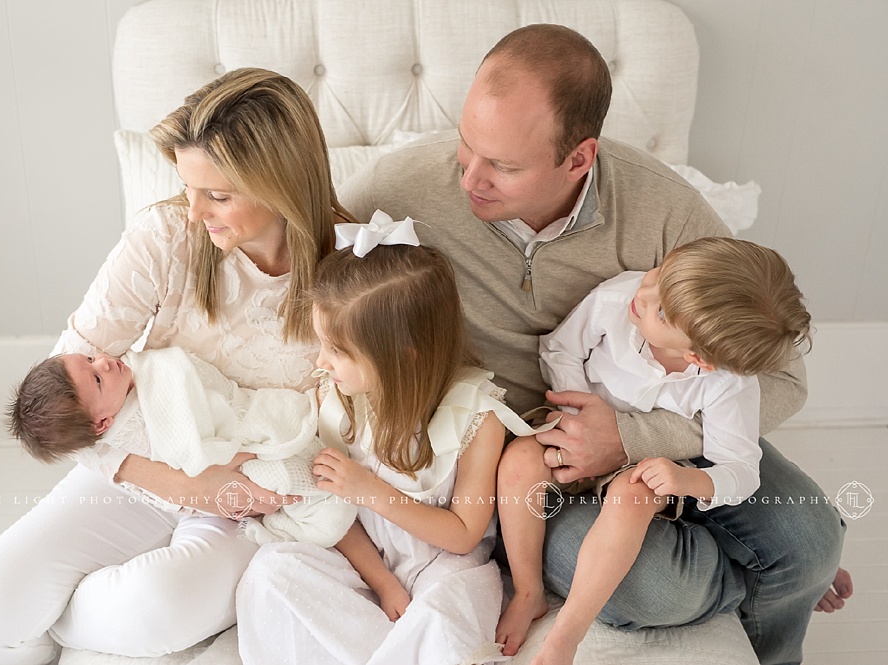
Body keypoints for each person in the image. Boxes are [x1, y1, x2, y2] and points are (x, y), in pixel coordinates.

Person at [341, 23, 847, 664]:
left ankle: (784, 610)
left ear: (579, 158)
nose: (470, 178)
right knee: (657, 588)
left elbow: (782, 377)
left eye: (503, 165)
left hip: (676, 422)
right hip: (533, 460)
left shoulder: (664, 210)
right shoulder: (398, 190)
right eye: (467, 147)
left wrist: (636, 439)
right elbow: (310, 266)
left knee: (808, 540)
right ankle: (770, 582)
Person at [0, 67, 353, 662]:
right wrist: (185, 483)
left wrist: (228, 492)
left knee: (145, 613)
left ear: (282, 183)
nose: (194, 211)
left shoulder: (353, 271)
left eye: (218, 195)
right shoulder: (164, 237)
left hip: (249, 508)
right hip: (140, 470)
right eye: (188, 188)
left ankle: (49, 624)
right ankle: (26, 615)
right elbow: (61, 393)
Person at [494, 237, 812, 663]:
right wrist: (574, 414)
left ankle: (567, 632)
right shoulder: (617, 300)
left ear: (699, 358)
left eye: (660, 308)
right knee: (520, 460)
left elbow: (741, 469)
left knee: (635, 494)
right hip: (574, 422)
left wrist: (689, 479)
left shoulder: (726, 385)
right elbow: (559, 347)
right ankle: (528, 590)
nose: (642, 293)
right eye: (660, 273)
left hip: (639, 459)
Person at [235, 232, 544, 665]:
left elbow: (463, 535)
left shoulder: (477, 415)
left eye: (336, 351)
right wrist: (382, 582)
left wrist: (371, 492)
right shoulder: (337, 399)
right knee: (272, 572)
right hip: (367, 564)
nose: (321, 361)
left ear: (402, 355)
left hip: (445, 565)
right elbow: (335, 514)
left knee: (441, 620)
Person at [6, 347, 353, 547]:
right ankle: (318, 516)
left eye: (90, 358)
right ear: (102, 424)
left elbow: (210, 394)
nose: (105, 361)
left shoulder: (144, 370)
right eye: (97, 377)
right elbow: (188, 454)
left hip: (240, 427)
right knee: (291, 484)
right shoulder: (129, 431)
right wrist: (207, 467)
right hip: (217, 474)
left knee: (295, 453)